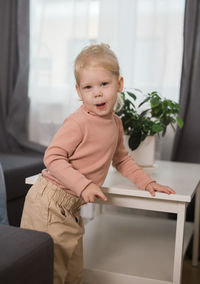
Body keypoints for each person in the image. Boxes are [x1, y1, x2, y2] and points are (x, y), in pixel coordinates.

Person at [20, 43, 175, 284]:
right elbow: (52, 157)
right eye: (88, 87)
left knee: (73, 271)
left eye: (104, 84)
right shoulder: (78, 122)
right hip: (48, 205)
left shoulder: (115, 124)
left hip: (70, 208)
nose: (98, 93)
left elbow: (122, 159)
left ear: (119, 84)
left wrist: (147, 182)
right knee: (51, 273)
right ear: (79, 92)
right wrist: (83, 185)